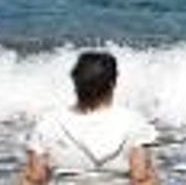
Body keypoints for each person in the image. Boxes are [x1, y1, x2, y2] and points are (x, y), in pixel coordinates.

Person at [19, 52, 159, 185]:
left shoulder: (49, 123)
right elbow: (139, 177)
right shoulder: (133, 122)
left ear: (76, 83)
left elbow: (36, 177)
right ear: (112, 84)